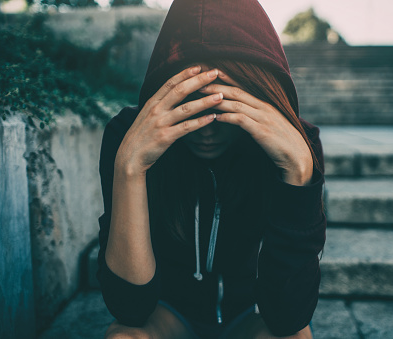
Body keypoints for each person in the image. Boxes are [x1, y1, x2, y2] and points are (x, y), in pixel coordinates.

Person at [97, 0, 326, 338]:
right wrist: (131, 167)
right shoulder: (130, 136)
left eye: (225, 109)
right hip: (166, 311)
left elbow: (288, 318)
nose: (205, 130)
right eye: (190, 107)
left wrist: (297, 171)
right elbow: (130, 309)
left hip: (250, 311)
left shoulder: (295, 146)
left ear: (258, 97)